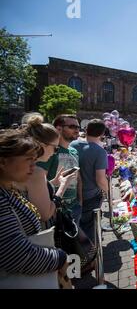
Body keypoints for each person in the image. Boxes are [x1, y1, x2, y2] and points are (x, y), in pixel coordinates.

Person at [0, 129, 68, 287]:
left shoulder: (9, 189)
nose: (34, 165)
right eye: (28, 159)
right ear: (3, 162)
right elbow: (17, 255)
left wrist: (52, 184)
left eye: (34, 159)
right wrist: (60, 257)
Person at [16, 113, 77, 226]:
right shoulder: (35, 171)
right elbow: (46, 214)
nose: (55, 152)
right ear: (42, 145)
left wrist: (52, 183)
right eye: (55, 147)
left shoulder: (21, 166)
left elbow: (30, 192)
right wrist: (63, 186)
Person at [38, 114, 82, 224]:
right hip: (56, 211)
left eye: (78, 127)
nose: (77, 130)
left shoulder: (74, 151)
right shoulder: (50, 152)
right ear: (59, 128)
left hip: (74, 207)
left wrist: (80, 202)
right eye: (72, 126)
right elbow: (40, 182)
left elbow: (78, 178)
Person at [71, 119, 108, 243]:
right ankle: (91, 256)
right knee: (89, 228)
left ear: (86, 130)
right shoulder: (100, 152)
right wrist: (107, 190)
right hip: (90, 194)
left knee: (74, 226)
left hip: (71, 194)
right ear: (102, 134)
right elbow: (100, 179)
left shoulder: (72, 145)